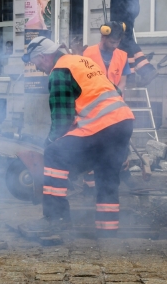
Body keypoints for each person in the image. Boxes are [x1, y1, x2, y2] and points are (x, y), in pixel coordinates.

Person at [21, 37, 134, 237]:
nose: (38, 68)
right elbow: (113, 91)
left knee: (55, 153)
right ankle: (108, 234)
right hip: (123, 122)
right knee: (106, 175)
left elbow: (61, 119)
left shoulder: (59, 71)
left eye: (36, 63)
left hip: (103, 127)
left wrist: (48, 145)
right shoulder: (83, 62)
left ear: (44, 56)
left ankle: (56, 219)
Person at [82, 21, 134, 194]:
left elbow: (124, 81)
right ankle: (89, 183)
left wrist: (116, 95)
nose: (115, 45)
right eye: (112, 41)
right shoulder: (88, 53)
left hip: (115, 107)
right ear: (103, 36)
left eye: (118, 42)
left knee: (118, 144)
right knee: (94, 142)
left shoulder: (122, 56)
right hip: (93, 107)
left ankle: (121, 175)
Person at [110, 0, 158, 87]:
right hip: (129, 7)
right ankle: (146, 69)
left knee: (122, 39)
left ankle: (130, 75)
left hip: (122, 7)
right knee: (127, 38)